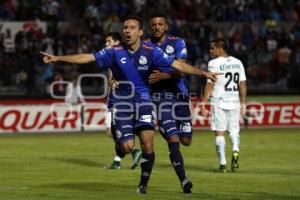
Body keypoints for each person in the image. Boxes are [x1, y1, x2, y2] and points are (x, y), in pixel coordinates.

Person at [41, 15, 221, 194]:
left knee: (148, 144)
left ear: (140, 32)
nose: (127, 30)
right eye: (125, 28)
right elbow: (88, 57)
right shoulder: (114, 51)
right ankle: (121, 142)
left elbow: (177, 65)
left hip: (143, 102)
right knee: (127, 147)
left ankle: (143, 185)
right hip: (122, 105)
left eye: (132, 28)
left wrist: (202, 72)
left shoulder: (151, 50)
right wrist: (58, 58)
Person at [146, 13, 193, 192]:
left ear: (165, 26)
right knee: (173, 139)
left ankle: (178, 142)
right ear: (150, 27)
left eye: (160, 24)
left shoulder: (177, 42)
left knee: (186, 140)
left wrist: (164, 75)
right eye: (153, 24)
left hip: (180, 95)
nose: (157, 27)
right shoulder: (145, 46)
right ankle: (184, 181)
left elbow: (181, 66)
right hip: (159, 97)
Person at [201, 38, 247, 173]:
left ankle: (223, 164)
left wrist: (204, 102)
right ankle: (235, 150)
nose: (210, 51)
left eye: (212, 48)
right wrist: (243, 102)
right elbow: (243, 84)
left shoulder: (213, 63)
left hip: (219, 100)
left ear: (220, 49)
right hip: (234, 101)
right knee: (234, 130)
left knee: (219, 133)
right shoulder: (238, 62)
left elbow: (210, 84)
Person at [103, 32, 142, 170]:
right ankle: (118, 160)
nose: (106, 44)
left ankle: (134, 151)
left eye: (108, 41)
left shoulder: (121, 57)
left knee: (111, 131)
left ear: (116, 42)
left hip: (119, 101)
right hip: (115, 99)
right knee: (115, 131)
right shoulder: (112, 57)